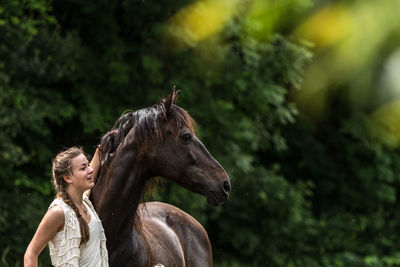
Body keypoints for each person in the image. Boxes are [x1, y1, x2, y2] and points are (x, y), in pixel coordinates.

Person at [24, 146, 108, 267]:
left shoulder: (84, 202)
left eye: (88, 165)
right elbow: (31, 253)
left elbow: (91, 173)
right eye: (83, 168)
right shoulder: (59, 211)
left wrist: (100, 150)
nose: (90, 170)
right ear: (68, 178)